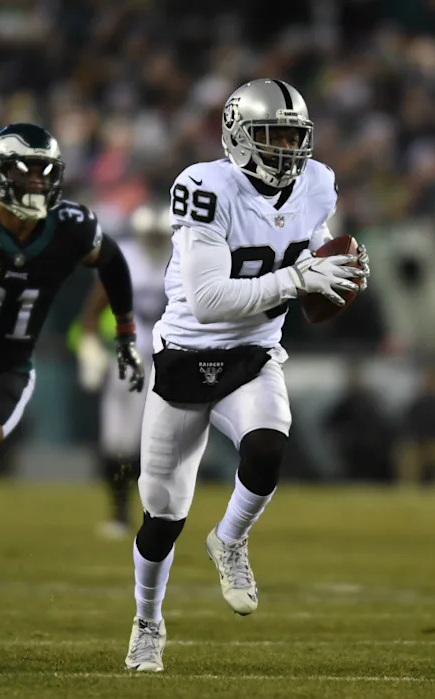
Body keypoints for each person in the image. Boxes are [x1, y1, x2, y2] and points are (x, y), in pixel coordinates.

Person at [123, 79, 370, 673]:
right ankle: (147, 623)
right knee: (162, 517)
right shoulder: (205, 186)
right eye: (273, 135)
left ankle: (230, 539)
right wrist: (296, 280)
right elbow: (208, 299)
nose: (286, 148)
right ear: (237, 135)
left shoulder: (316, 183)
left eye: (294, 136)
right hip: (186, 354)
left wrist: (332, 262)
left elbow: (306, 243)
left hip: (253, 354)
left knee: (267, 448)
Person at [0, 123, 144, 631]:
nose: (36, 181)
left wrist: (124, 331)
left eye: (45, 172)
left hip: (10, 363)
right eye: (25, 170)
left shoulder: (73, 226)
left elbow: (114, 262)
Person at [76, 203, 171, 539]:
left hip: (167, 362)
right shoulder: (126, 257)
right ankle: (119, 512)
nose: (157, 241)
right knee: (117, 440)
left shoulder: (183, 259)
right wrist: (89, 349)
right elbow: (93, 308)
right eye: (152, 234)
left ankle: (152, 513)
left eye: (162, 235)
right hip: (126, 359)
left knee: (152, 443)